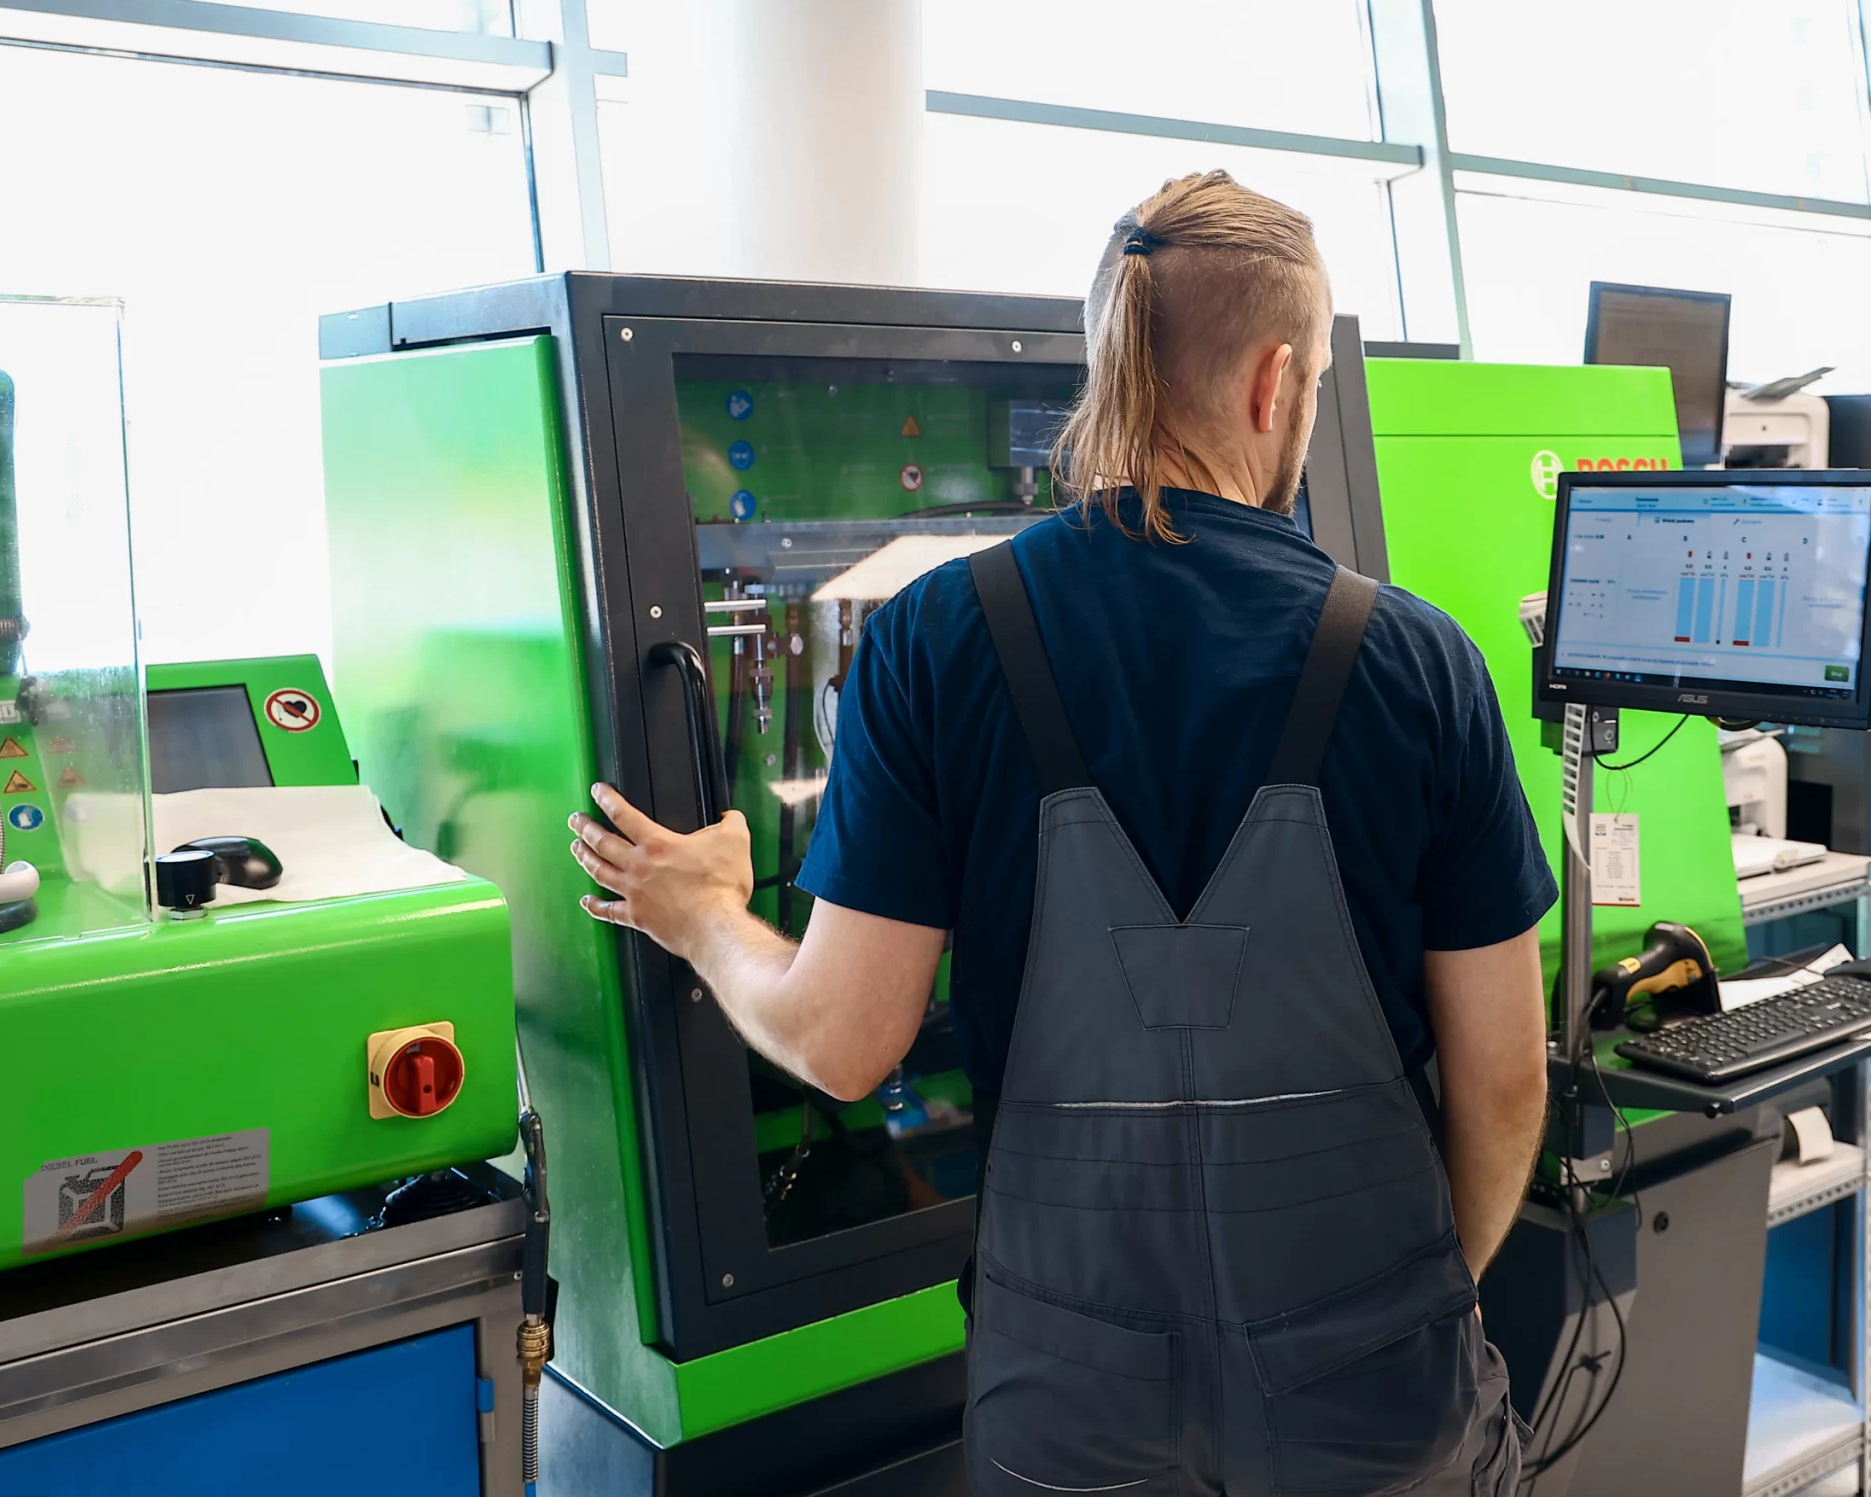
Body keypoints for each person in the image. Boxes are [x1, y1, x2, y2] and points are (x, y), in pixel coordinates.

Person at [569, 170, 1555, 1496]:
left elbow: (840, 1041)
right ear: (1276, 384)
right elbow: (1505, 1084)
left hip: (1072, 1424)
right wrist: (1413, 1306)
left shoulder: (933, 643)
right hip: (1379, 1414)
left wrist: (701, 916)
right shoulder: (1418, 662)